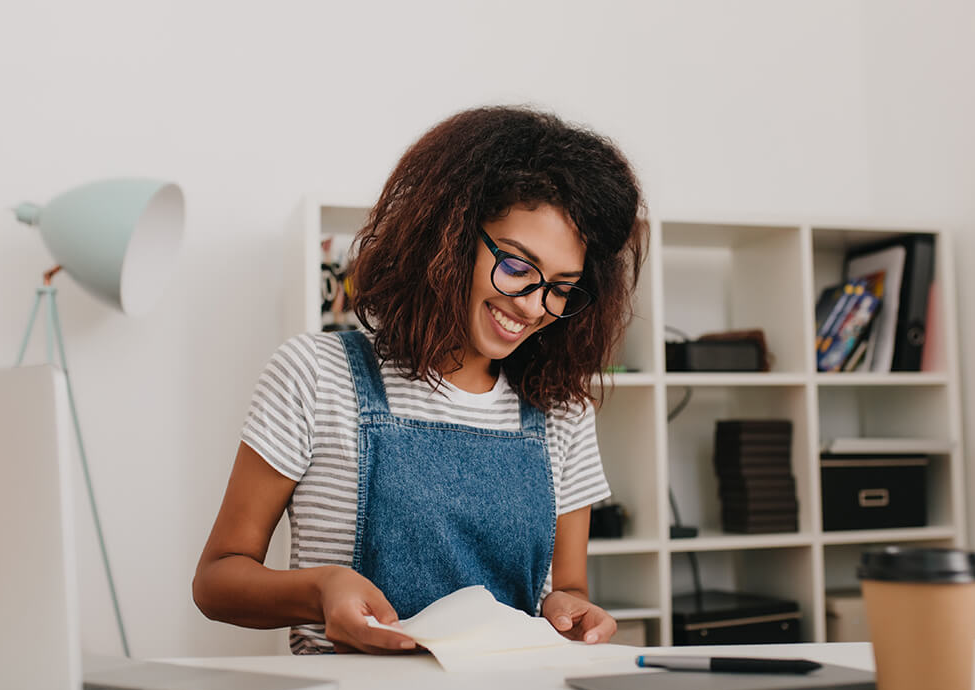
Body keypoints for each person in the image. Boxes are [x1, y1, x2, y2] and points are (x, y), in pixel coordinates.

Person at [193, 106, 647, 654]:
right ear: (450, 238)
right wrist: (321, 588)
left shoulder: (560, 413)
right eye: (518, 267)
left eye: (561, 287)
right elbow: (217, 581)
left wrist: (568, 608)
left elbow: (567, 588)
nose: (532, 307)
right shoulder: (315, 376)